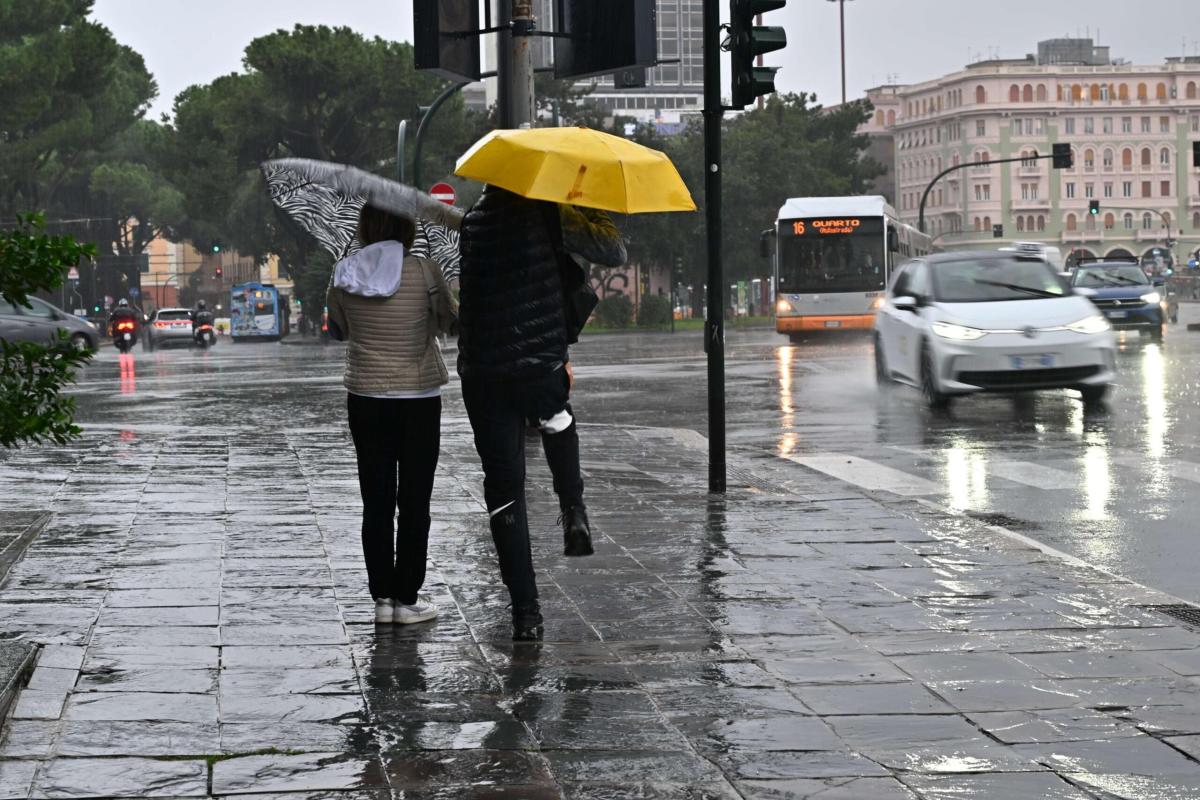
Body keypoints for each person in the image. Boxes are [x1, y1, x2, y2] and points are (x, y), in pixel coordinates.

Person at [457, 185, 626, 641]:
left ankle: (526, 613)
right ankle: (573, 508)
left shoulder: (472, 222)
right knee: (558, 419)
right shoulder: (552, 213)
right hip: (540, 365)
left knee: (504, 490)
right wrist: (583, 201)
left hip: (485, 374)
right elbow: (613, 249)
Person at [326, 204, 457, 625]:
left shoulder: (344, 273)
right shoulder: (425, 271)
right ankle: (407, 598)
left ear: (365, 228)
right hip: (418, 398)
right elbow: (449, 321)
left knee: (376, 500)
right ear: (407, 228)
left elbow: (340, 329)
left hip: (365, 397)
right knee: (415, 501)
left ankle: (382, 599)